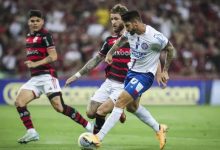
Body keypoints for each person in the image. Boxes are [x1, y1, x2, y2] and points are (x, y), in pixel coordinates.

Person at [66, 3, 167, 142]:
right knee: (91, 112)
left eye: (116, 19)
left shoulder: (136, 38)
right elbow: (96, 59)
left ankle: (95, 139)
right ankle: (132, 116)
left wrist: (159, 73)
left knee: (102, 111)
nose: (113, 22)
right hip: (109, 82)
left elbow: (153, 55)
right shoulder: (110, 41)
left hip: (125, 84)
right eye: (111, 19)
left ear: (125, 20)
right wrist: (77, 75)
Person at [87, 10, 175, 150]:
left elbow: (170, 49)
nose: (126, 29)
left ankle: (98, 137)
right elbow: (121, 40)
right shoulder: (130, 32)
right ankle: (159, 128)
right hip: (131, 73)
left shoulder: (154, 37)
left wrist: (165, 70)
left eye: (127, 26)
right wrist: (110, 53)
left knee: (120, 102)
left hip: (145, 76)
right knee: (132, 107)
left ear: (135, 23)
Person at [15, 10, 93, 144]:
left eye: (37, 21)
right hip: (35, 78)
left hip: (47, 76)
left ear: (42, 22)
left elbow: (53, 56)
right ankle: (31, 132)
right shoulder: (28, 36)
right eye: (32, 21)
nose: (35, 23)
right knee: (19, 102)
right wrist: (33, 65)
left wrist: (35, 63)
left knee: (59, 107)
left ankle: (89, 126)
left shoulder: (46, 36)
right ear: (28, 22)